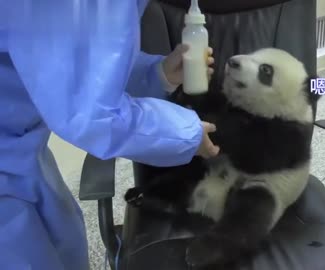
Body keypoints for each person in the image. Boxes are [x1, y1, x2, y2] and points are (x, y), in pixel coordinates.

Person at [0, 0, 219, 269]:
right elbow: (89, 115)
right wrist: (186, 133)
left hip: (16, 149)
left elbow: (77, 56)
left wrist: (157, 73)